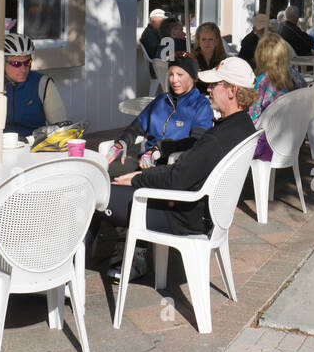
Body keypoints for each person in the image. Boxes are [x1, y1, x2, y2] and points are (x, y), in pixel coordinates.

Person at [101, 57, 259, 282]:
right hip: (199, 210)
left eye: (214, 85)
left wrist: (138, 178)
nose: (210, 89)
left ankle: (66, 270)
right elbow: (182, 172)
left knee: (93, 193)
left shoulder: (217, 137)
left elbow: (177, 178)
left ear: (232, 90)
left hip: (181, 214)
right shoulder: (240, 126)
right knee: (104, 187)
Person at [86, 54, 214, 178]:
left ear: (192, 77)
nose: (174, 80)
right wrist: (121, 143)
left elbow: (197, 140)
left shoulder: (201, 105)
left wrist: (159, 150)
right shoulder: (161, 100)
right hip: (145, 162)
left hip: (173, 167)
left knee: (118, 184)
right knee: (97, 173)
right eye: (171, 74)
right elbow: (136, 127)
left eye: (180, 75)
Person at [0, 33, 68, 140]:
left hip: (33, 146)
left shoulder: (43, 83)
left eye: (27, 62)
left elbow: (60, 127)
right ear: (2, 61)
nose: (23, 69)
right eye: (16, 64)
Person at [248, 32, 303, 161]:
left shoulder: (262, 82)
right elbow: (305, 95)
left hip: (268, 143)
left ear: (260, 56)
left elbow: (253, 117)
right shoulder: (294, 75)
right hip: (292, 137)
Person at [192, 22, 227, 94]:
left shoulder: (223, 61)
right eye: (203, 39)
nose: (207, 43)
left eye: (210, 39)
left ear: (217, 41)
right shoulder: (191, 59)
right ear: (199, 41)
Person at [139, 8, 167, 78]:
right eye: (162, 21)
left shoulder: (153, 32)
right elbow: (156, 53)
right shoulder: (150, 34)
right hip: (158, 68)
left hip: (157, 66)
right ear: (154, 20)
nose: (164, 23)